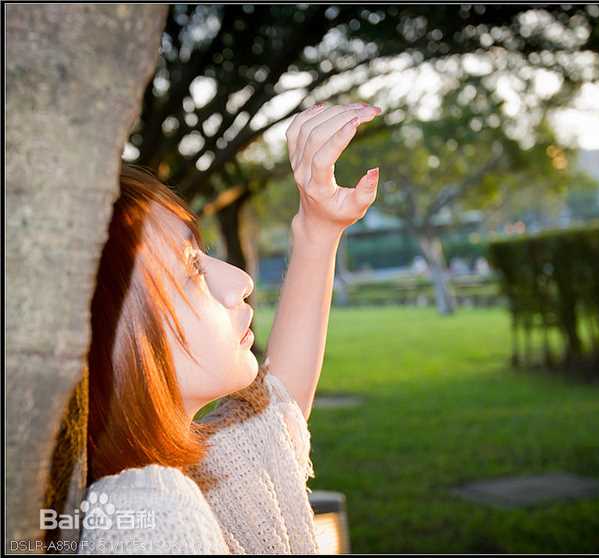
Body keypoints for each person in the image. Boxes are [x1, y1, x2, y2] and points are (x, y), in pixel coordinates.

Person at [78, 102, 383, 554]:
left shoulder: (183, 472)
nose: (240, 282)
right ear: (117, 339)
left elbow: (277, 419)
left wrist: (320, 228)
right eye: (192, 270)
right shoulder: (150, 517)